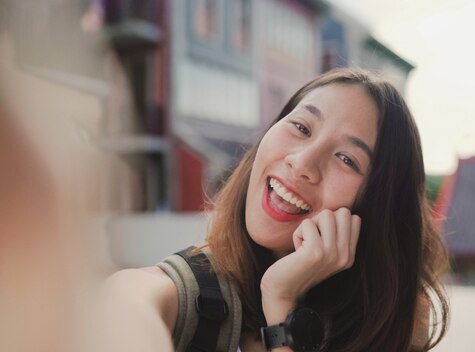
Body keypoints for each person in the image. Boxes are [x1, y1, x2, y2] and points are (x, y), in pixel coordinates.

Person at [108, 68, 449, 351]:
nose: (302, 163)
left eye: (347, 159)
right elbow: (123, 305)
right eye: (301, 127)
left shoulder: (387, 333)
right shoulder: (182, 295)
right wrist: (281, 300)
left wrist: (281, 302)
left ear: (379, 209)